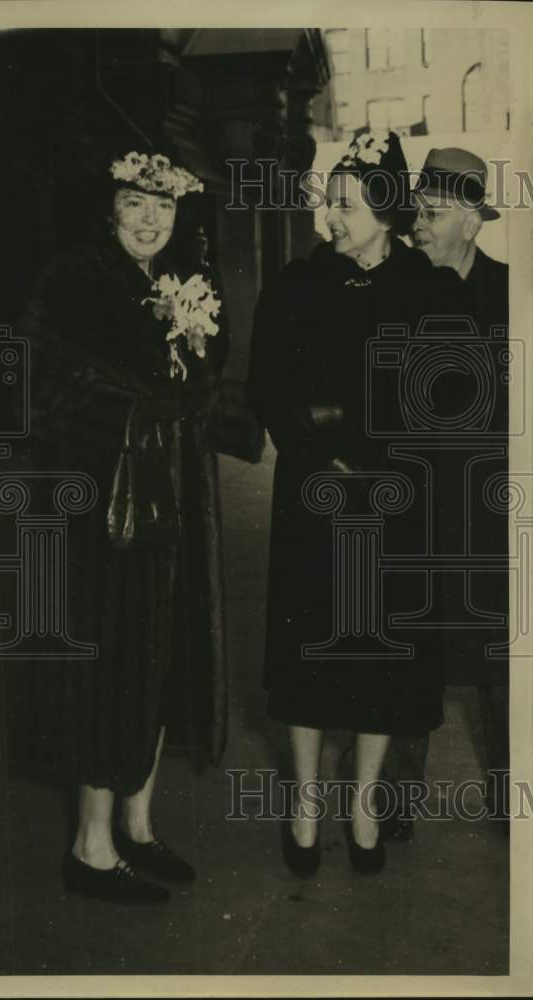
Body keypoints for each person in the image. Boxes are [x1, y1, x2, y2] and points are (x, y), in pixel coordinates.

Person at [247, 130, 478, 876]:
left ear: (383, 205)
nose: (328, 217)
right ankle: (306, 802)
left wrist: (377, 450)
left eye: (343, 204)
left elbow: (449, 392)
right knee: (310, 646)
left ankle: (365, 802)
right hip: (313, 497)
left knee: (388, 657)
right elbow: (267, 389)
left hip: (395, 500)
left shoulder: (430, 289)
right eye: (326, 202)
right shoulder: (294, 284)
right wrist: (324, 450)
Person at [20, 151, 229, 903]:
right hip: (104, 511)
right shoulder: (75, 278)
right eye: (136, 203)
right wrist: (139, 408)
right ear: (110, 205)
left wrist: (192, 380)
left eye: (162, 208)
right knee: (110, 665)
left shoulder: (180, 279)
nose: (149, 221)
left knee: (162, 657)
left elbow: (206, 378)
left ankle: (137, 827)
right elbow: (43, 387)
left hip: (171, 499)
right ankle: (91, 845)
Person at [411, 147, 509, 822]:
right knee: (407, 642)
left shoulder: (512, 291)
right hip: (413, 500)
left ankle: (508, 791)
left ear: (472, 222)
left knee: (500, 653)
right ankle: (395, 797)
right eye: (416, 210)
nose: (417, 225)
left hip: (492, 507)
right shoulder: (394, 289)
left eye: (435, 213)